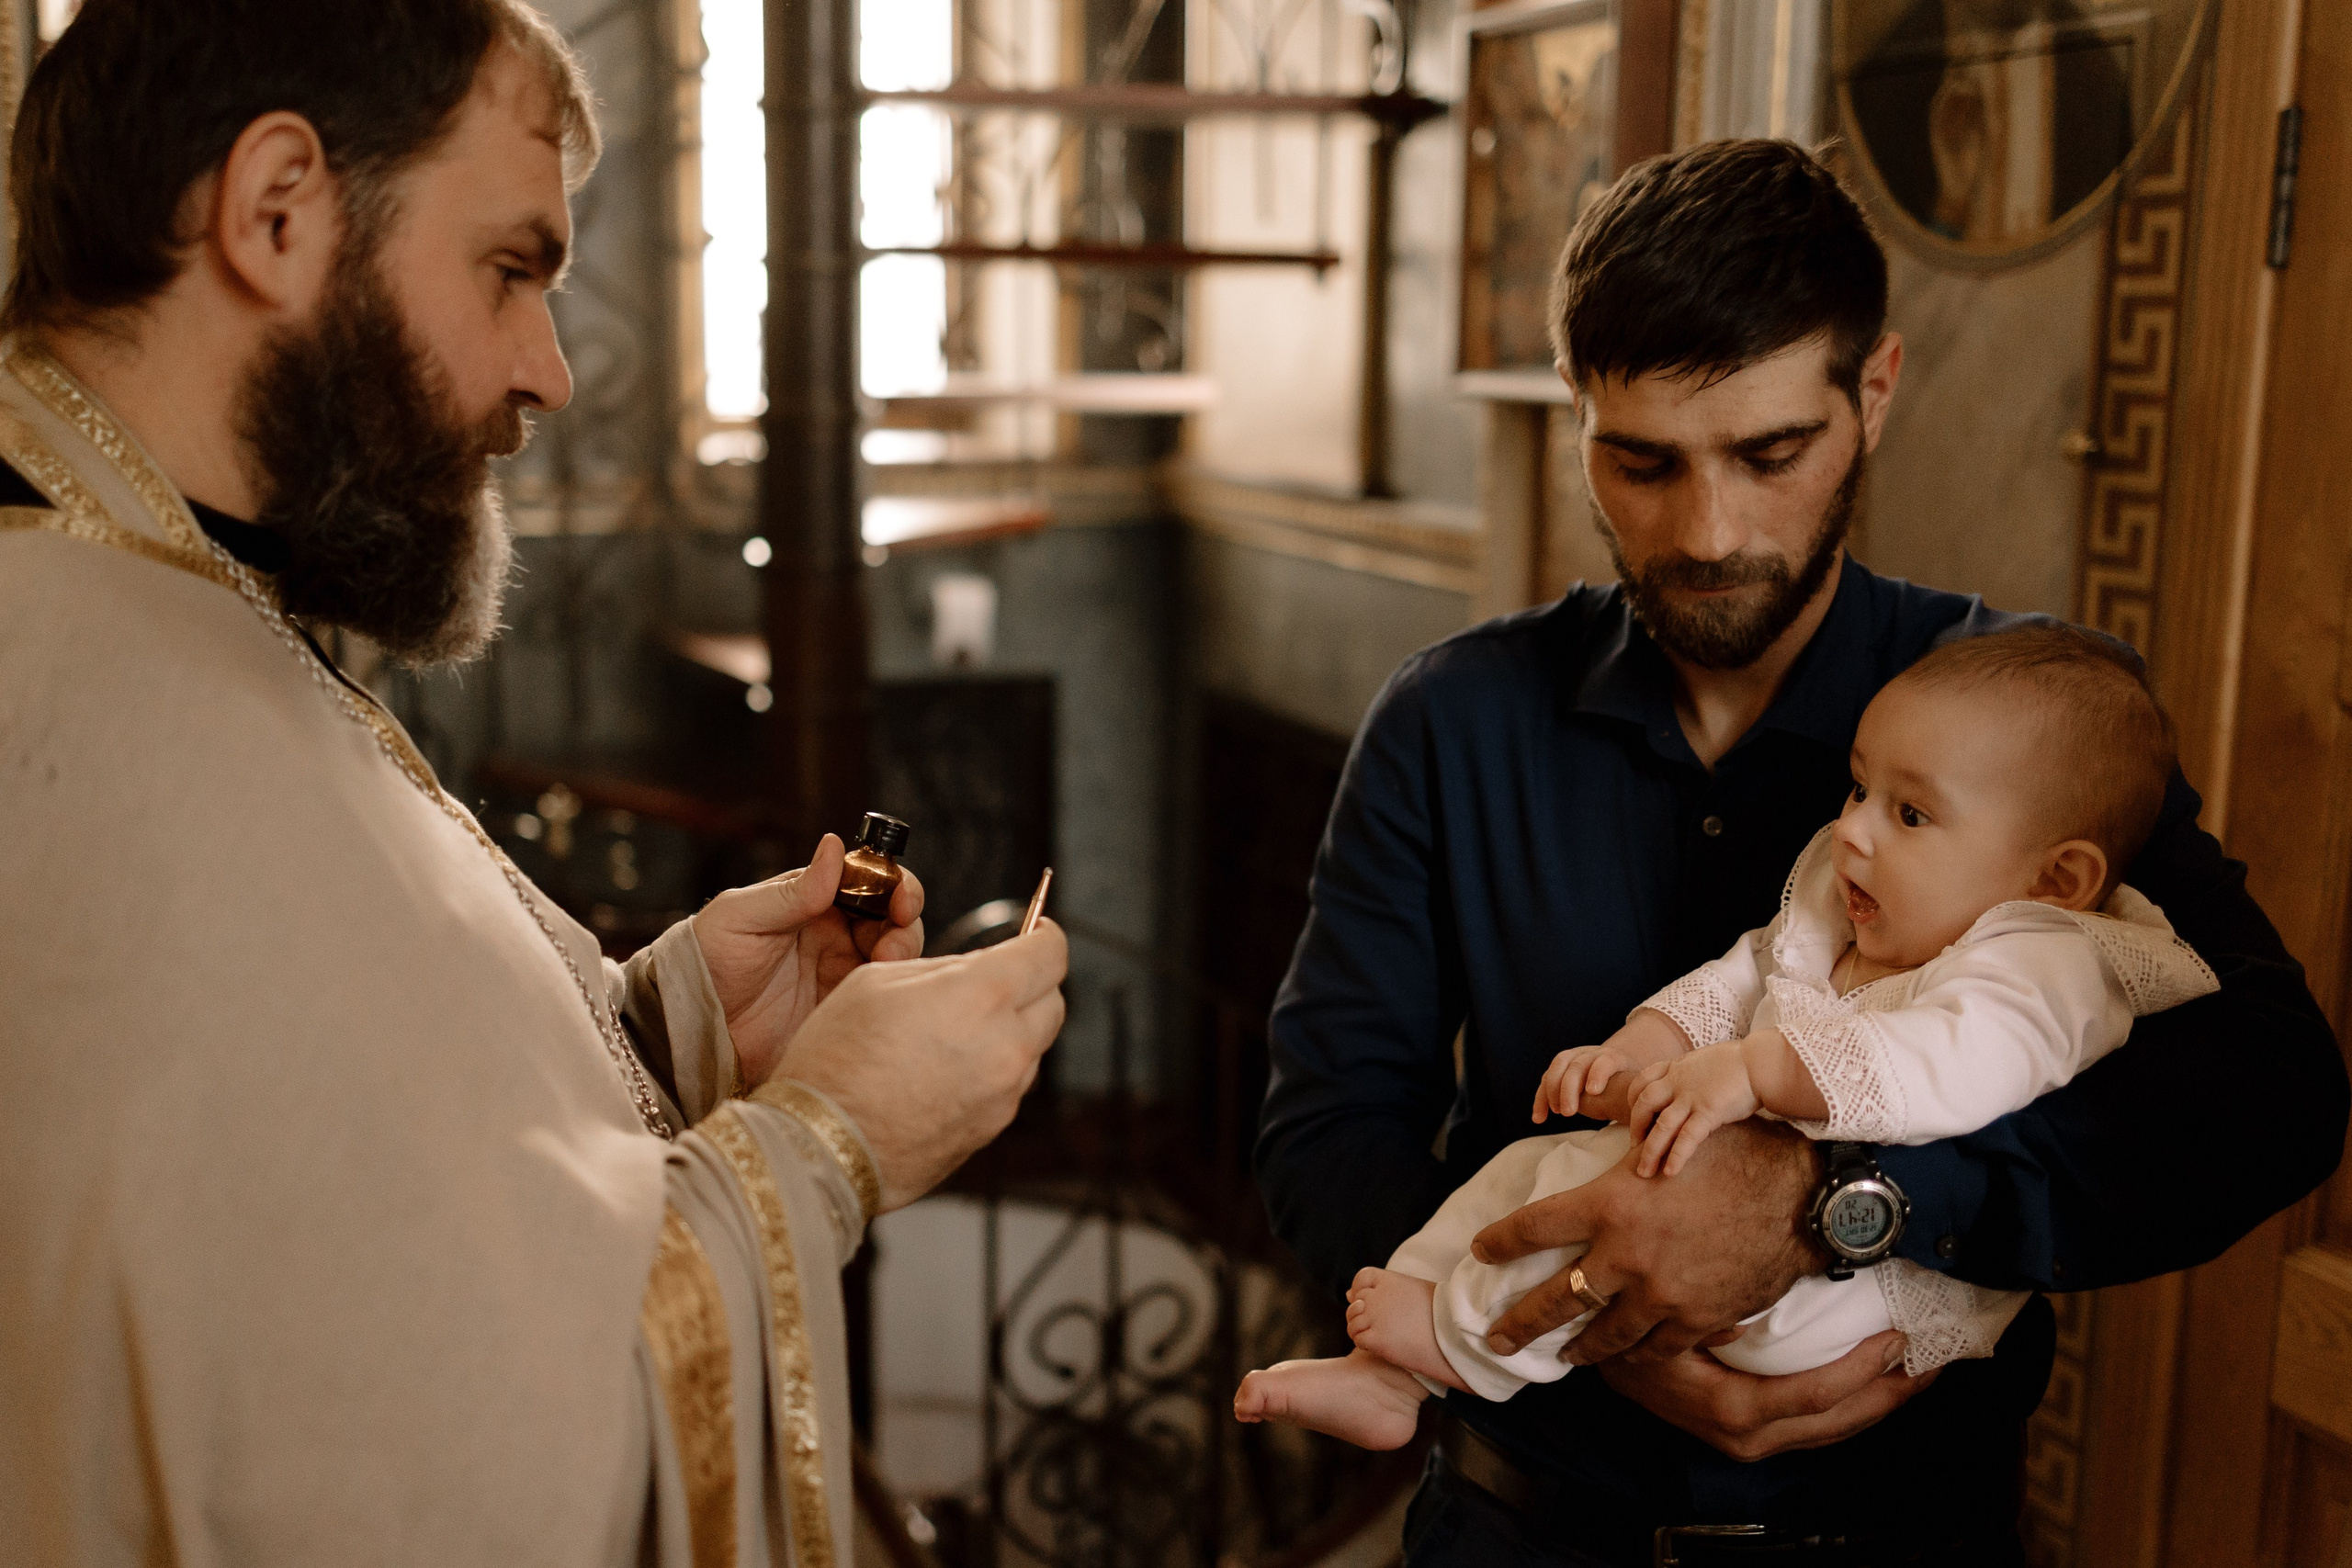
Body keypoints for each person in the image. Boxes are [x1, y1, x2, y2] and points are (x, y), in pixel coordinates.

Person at [0, 4, 1065, 1562]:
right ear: (277, 211)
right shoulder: (80, 702)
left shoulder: (159, 594)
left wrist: (666, 1023)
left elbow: (333, 1187)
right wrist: (823, 1144)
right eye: (512, 270)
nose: (550, 371)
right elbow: (374, 1465)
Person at [1254, 139, 2348, 1564]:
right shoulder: (1446, 721)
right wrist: (1612, 1303)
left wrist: (1841, 1210)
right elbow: (1327, 1126)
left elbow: (2270, 1085)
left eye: (1770, 453)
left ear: (1873, 392)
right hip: (1521, 1529)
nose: (1709, 531)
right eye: (1642, 461)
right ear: (1577, 416)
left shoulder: (2032, 726)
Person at [1236, 626, 2216, 1448]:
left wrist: (1753, 1074)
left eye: (1909, 813)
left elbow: (1941, 1074)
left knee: (1583, 1212)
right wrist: (1640, 1047)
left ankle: (1455, 1344)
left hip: (1848, 1303)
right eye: (1857, 789)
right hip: (1534, 1502)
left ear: (2058, 878)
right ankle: (1396, 1375)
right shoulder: (1859, 895)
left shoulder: (2043, 961)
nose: (1856, 832)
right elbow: (1748, 970)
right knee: (1539, 1176)